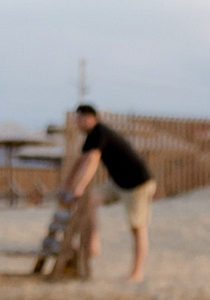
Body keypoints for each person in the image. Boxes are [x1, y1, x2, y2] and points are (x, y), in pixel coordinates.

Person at [62, 102, 156, 285]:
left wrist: (79, 187)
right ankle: (93, 242)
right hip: (118, 183)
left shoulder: (101, 132)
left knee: (137, 228)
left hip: (138, 183)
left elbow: (92, 160)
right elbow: (80, 161)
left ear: (89, 118)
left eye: (78, 120)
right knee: (91, 199)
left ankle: (137, 273)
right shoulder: (91, 137)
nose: (76, 124)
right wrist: (66, 184)